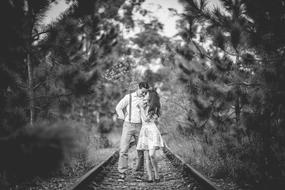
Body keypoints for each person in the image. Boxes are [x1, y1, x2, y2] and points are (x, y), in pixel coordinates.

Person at [115, 82, 150, 181]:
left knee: (140, 150)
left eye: (145, 92)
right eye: (143, 91)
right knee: (123, 149)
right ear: (139, 88)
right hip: (128, 125)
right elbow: (118, 107)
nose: (144, 94)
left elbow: (147, 113)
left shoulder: (145, 99)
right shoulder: (129, 97)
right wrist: (122, 117)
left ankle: (139, 173)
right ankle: (122, 173)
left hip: (140, 126)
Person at [136, 89, 164, 183]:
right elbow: (141, 119)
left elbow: (145, 119)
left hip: (152, 131)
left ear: (151, 96)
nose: (144, 95)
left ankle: (157, 174)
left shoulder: (154, 108)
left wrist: (141, 108)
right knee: (147, 156)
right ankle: (150, 177)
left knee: (152, 155)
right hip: (144, 131)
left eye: (146, 93)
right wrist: (141, 106)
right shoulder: (144, 105)